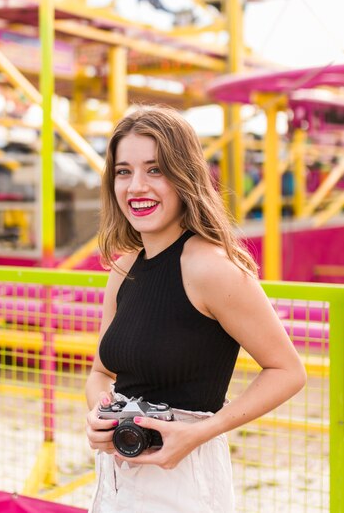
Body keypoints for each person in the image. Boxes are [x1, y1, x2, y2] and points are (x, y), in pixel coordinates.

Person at [85, 105, 306, 513]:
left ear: (184, 175)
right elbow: (101, 372)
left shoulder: (211, 268)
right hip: (115, 480)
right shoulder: (124, 267)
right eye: (123, 171)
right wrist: (99, 416)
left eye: (155, 170)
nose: (136, 186)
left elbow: (288, 371)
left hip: (184, 481)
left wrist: (202, 431)